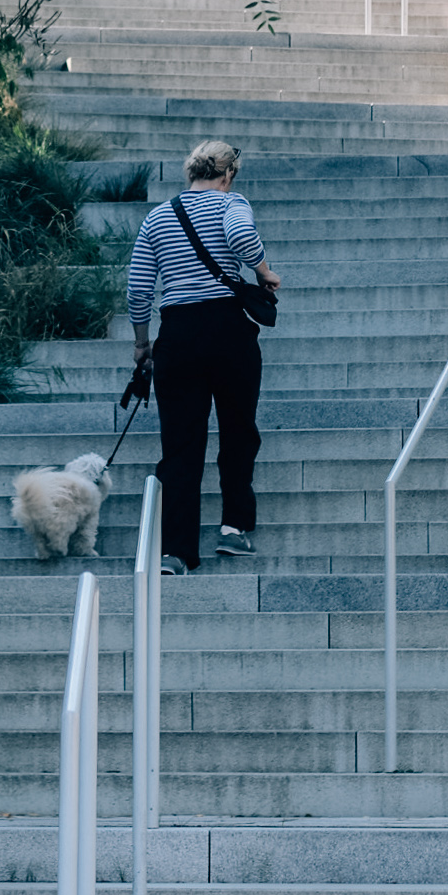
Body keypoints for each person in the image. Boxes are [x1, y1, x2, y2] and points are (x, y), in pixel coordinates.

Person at [126, 140, 280, 574]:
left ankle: (175, 552)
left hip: (177, 335)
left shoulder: (157, 217)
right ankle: (233, 529)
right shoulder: (232, 204)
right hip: (229, 331)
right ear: (228, 174)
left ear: (191, 172)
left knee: (180, 446)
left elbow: (138, 287)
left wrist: (142, 343)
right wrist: (263, 271)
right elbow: (242, 237)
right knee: (238, 432)